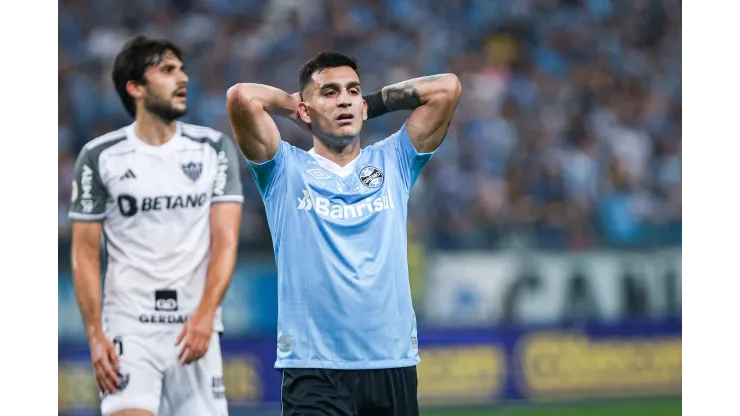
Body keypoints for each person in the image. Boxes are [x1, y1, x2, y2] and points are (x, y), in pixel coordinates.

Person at [226, 52, 461, 416]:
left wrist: (371, 103)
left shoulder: (394, 160)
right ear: (306, 110)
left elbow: (447, 88)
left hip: (391, 363)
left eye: (352, 91)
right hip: (314, 368)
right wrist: (293, 106)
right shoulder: (284, 169)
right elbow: (242, 97)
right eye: (330, 93)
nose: (345, 100)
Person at [69, 35, 243, 416]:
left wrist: (205, 315)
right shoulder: (100, 156)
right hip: (129, 328)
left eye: (181, 69)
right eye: (167, 70)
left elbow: (225, 241)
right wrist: (96, 336)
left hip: (194, 329)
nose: (183, 78)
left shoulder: (213, 148)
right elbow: (83, 252)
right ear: (135, 87)